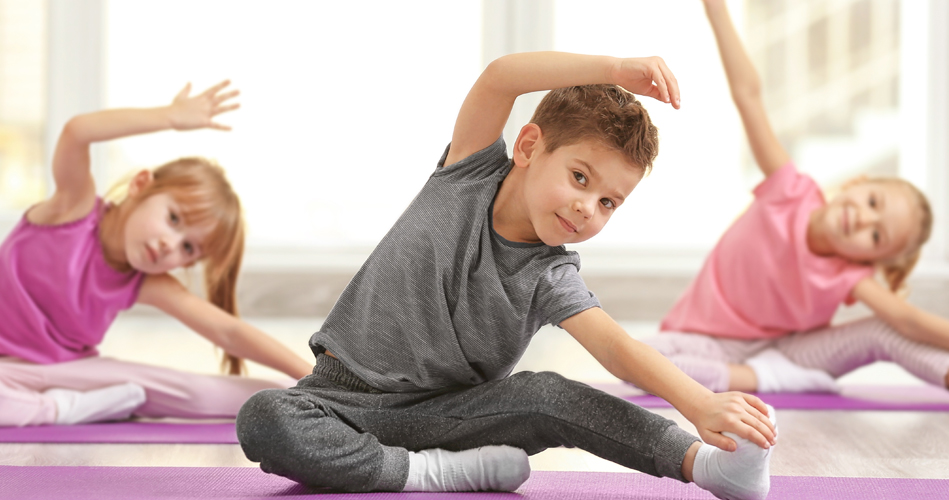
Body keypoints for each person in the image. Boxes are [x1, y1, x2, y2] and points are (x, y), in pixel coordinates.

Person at [235, 50, 777, 500]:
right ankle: (435, 475)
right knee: (264, 416)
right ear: (528, 147)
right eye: (580, 177)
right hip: (335, 401)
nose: (588, 207)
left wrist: (700, 404)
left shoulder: (551, 273)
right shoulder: (466, 173)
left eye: (609, 201)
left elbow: (616, 348)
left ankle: (706, 468)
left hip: (444, 419)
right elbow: (500, 78)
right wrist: (612, 71)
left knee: (548, 395)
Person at [645, 0, 949, 396]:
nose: (863, 221)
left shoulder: (848, 275)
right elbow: (749, 96)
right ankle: (761, 380)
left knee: (883, 332)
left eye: (877, 237)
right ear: (857, 183)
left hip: (790, 354)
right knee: (640, 359)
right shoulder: (789, 190)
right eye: (873, 203)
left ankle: (766, 375)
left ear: (870, 258)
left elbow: (905, 321)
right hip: (708, 342)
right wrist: (717, 10)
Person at [0, 81, 313, 427]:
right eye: (173, 218)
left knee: (199, 393)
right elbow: (77, 132)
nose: (170, 244)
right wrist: (170, 116)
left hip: (72, 372)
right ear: (140, 185)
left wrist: (313, 377)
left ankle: (315, 398)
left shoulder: (146, 282)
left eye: (188, 248)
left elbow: (229, 333)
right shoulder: (72, 208)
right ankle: (58, 410)